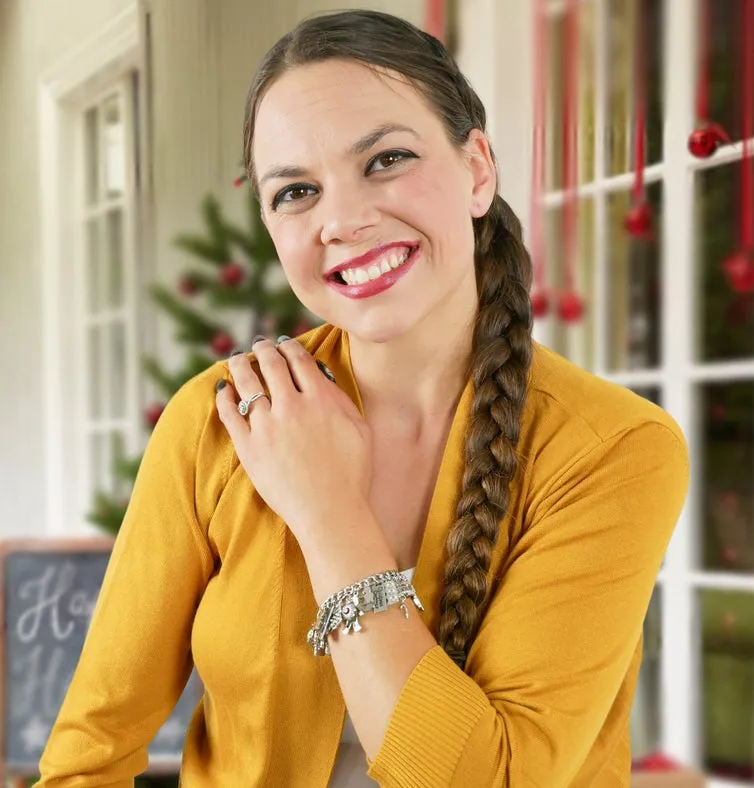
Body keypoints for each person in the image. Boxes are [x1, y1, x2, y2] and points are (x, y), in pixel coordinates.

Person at [35, 9, 689, 788]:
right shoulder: (215, 422)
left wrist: (328, 513)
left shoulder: (613, 448)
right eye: (297, 191)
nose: (342, 220)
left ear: (478, 169)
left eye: (385, 159)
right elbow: (89, 754)